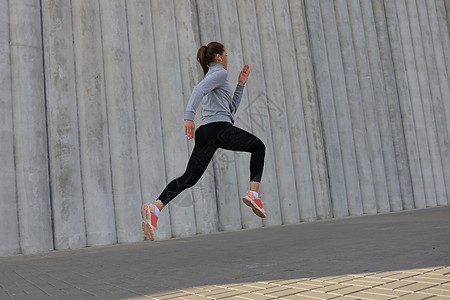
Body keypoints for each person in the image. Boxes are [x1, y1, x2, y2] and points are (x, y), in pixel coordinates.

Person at [141, 42, 266, 241]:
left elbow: (230, 111)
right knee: (259, 147)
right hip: (219, 130)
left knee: (189, 178)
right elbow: (197, 90)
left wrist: (240, 85)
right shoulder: (219, 74)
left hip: (206, 132)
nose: (227, 59)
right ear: (217, 57)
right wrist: (188, 116)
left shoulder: (214, 78)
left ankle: (155, 209)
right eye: (225, 55)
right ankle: (253, 194)